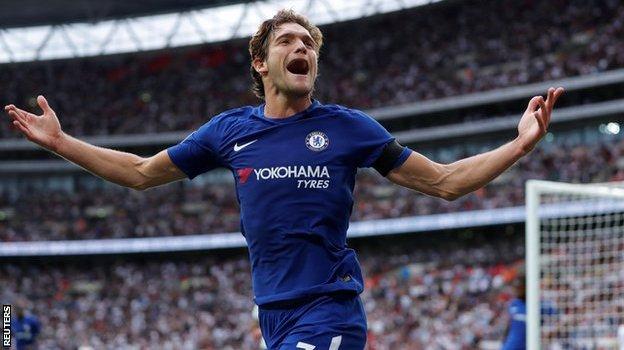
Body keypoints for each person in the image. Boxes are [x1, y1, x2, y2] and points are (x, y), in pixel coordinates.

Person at [4, 9, 564, 349]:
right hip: (273, 316)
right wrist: (60, 143)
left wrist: (520, 143)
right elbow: (141, 173)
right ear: (261, 63)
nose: (302, 49)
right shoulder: (229, 131)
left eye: (310, 45)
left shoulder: (349, 129)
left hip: (329, 309)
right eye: (288, 42)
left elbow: (445, 181)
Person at [502, 273, 527, 350]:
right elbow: (509, 325)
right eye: (516, 287)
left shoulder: (538, 305)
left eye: (520, 287)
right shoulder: (514, 304)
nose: (517, 290)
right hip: (510, 346)